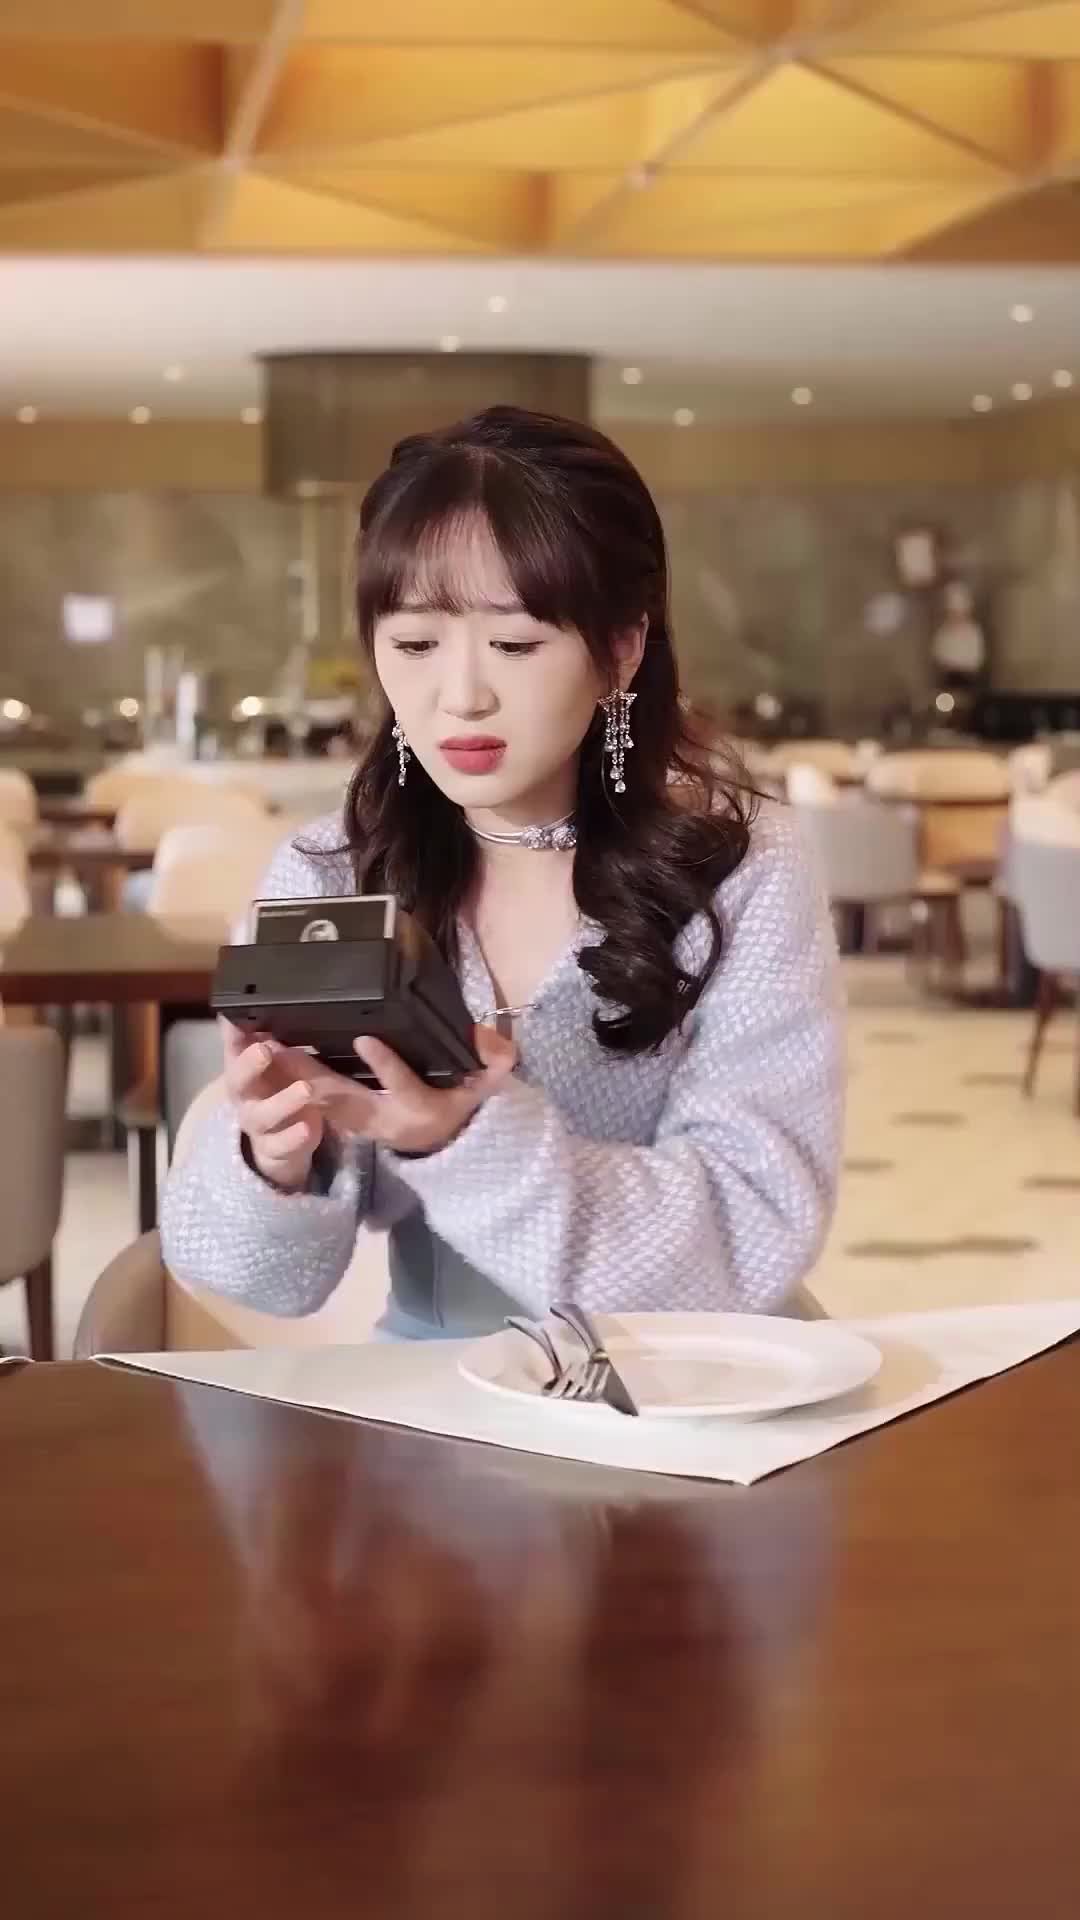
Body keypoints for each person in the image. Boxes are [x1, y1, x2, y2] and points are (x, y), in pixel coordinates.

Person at [161, 406, 844, 1338]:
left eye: (515, 645)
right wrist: (273, 1160)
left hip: (694, 1378)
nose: (461, 696)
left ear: (621, 648)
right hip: (436, 1387)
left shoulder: (740, 869)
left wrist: (467, 1140)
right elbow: (258, 1281)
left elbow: (751, 1221)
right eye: (415, 645)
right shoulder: (331, 875)